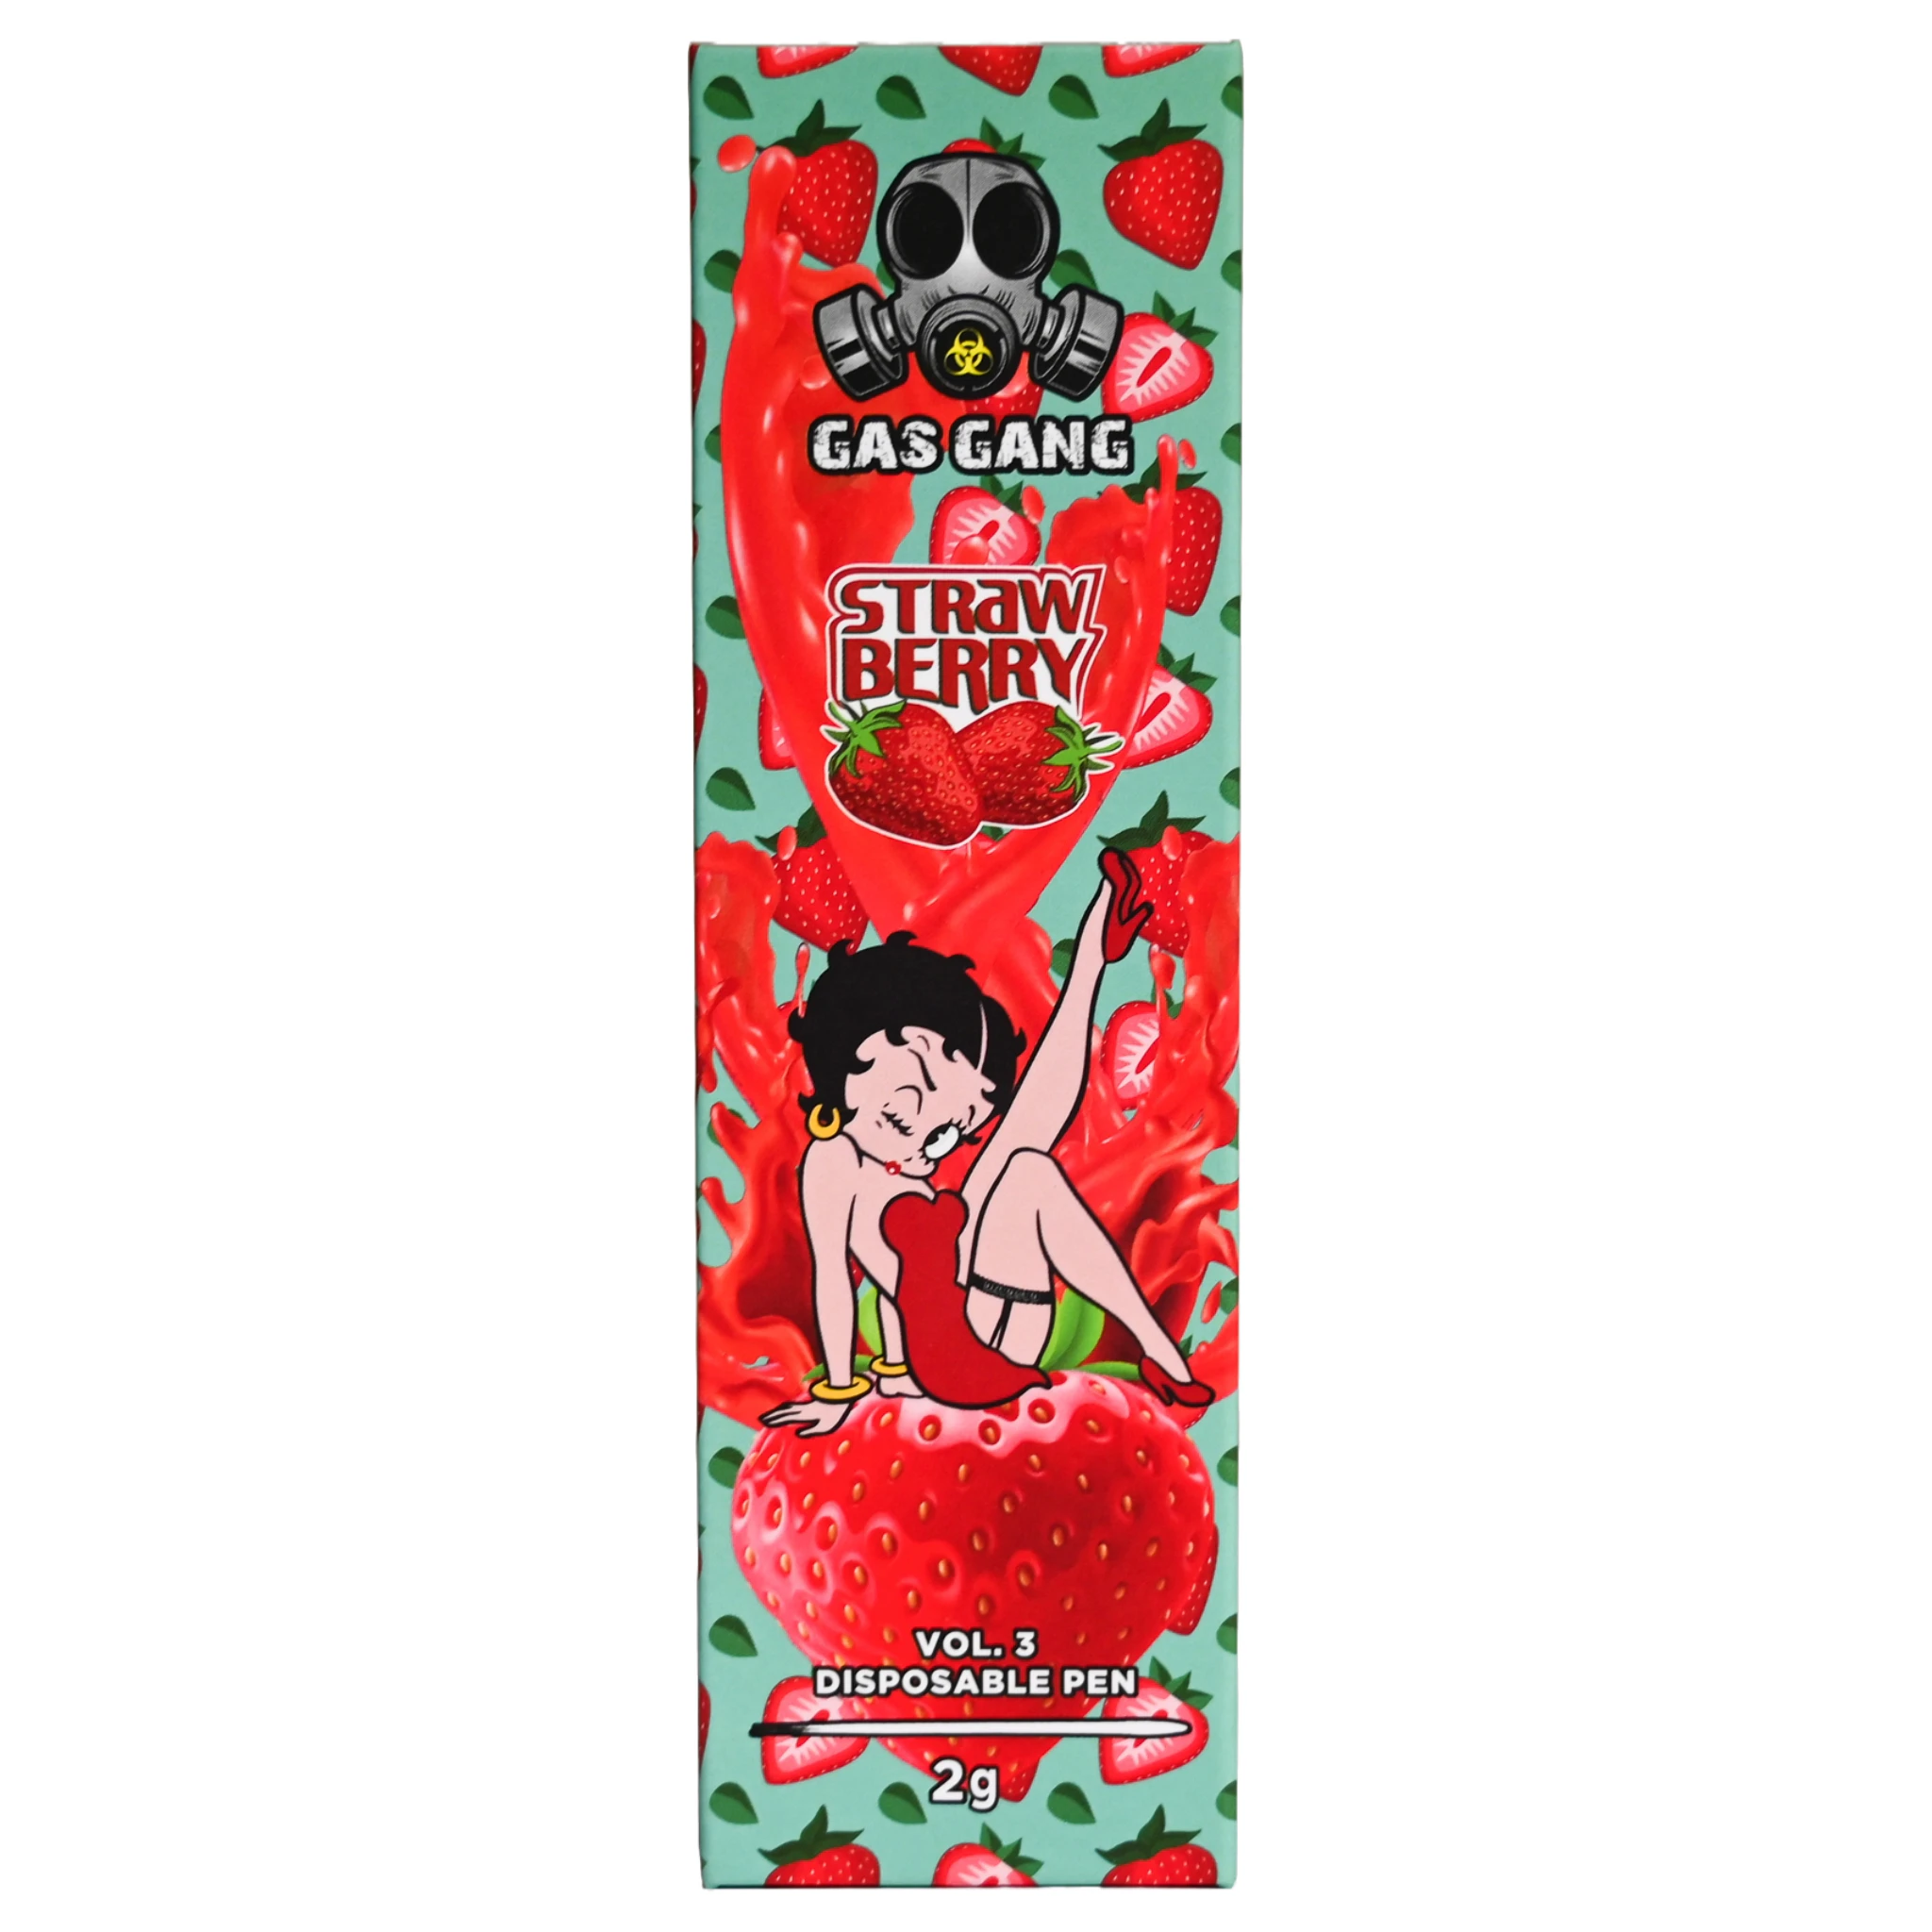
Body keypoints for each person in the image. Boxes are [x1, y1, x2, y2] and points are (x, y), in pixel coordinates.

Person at [759, 849, 1215, 1437]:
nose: (924, 1130)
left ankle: (1091, 958)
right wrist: (843, 1390)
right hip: (951, 1357)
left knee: (1025, 1157)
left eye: (949, 1128)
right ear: (849, 1048)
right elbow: (835, 1276)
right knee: (1026, 1167)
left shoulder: (900, 1162)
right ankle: (1161, 1353)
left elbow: (901, 1280)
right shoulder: (834, 1159)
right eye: (911, 1092)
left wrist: (896, 1369)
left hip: (989, 1325)